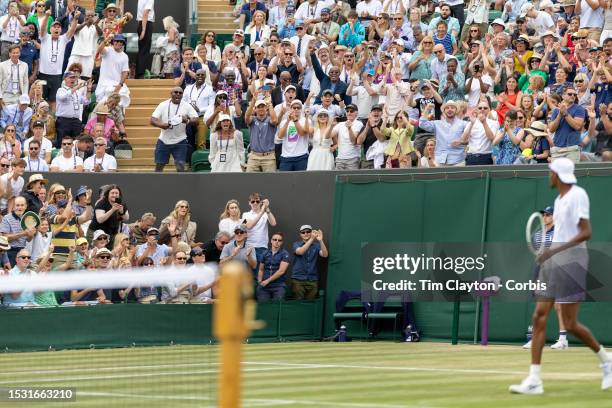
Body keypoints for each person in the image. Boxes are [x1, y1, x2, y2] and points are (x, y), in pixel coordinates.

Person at [509, 158, 612, 394]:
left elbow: (586, 232)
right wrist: (548, 253)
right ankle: (534, 379)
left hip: (573, 262)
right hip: (553, 263)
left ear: (558, 174)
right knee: (539, 316)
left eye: (550, 171)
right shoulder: (558, 199)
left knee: (571, 324)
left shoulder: (578, 195)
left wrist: (554, 249)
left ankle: (606, 361)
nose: (549, 175)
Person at [150, 87, 199, 172]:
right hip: (164, 140)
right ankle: (156, 184)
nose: (178, 94)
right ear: (171, 94)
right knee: (159, 166)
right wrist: (162, 125)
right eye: (175, 92)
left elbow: (196, 120)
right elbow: (152, 120)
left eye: (180, 93)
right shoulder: (163, 104)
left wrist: (187, 121)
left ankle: (180, 185)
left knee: (180, 167)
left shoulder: (186, 105)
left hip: (180, 140)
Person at [38, 10, 78, 109]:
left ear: (60, 30)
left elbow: (72, 30)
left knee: (53, 100)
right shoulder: (45, 37)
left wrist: (76, 19)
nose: (56, 29)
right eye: (54, 27)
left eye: (58, 27)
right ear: (50, 29)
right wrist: (47, 16)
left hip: (56, 75)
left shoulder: (63, 39)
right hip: (43, 74)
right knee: (41, 98)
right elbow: (42, 28)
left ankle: (52, 120)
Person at [418, 100, 468, 166]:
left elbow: (470, 140)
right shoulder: (437, 123)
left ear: (456, 110)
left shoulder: (463, 124)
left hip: (458, 161)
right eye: (447, 108)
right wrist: (427, 109)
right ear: (444, 111)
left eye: (452, 108)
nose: (450, 110)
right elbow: (422, 124)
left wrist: (461, 142)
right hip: (440, 160)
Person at [548, 87, 586, 163]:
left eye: (574, 95)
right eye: (570, 94)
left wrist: (565, 113)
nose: (572, 96)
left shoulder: (579, 108)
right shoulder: (556, 110)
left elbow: (577, 126)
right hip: (557, 148)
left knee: (571, 174)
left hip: (572, 148)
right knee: (556, 174)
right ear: (563, 96)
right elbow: (551, 129)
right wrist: (559, 114)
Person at [291, 225, 328, 300]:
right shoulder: (296, 244)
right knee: (298, 304)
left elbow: (325, 255)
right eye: (303, 232)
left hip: (312, 279)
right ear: (300, 234)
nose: (305, 234)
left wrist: (320, 240)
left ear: (311, 233)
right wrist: (311, 239)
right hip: (298, 279)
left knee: (311, 305)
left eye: (308, 232)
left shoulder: (317, 246)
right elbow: (300, 252)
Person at [55, 71, 90, 145]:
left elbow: (86, 102)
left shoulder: (78, 92)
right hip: (64, 121)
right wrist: (76, 87)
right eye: (70, 77)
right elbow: (63, 97)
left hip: (76, 121)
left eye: (74, 78)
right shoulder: (61, 90)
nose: (73, 80)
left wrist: (89, 90)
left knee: (76, 142)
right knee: (62, 142)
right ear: (65, 79)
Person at [95, 33, 130, 108]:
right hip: (104, 84)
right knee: (102, 106)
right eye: (117, 41)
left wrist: (120, 85)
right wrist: (107, 39)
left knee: (120, 104)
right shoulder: (108, 50)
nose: (119, 43)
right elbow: (99, 49)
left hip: (116, 84)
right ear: (113, 42)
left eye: (121, 42)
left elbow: (125, 72)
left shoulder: (125, 56)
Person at [245, 97, 279, 172]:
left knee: (270, 182)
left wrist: (270, 105)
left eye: (263, 106)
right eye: (258, 107)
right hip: (254, 156)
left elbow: (275, 120)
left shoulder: (270, 119)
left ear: (266, 108)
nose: (261, 109)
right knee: (248, 180)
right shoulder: (252, 120)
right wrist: (253, 102)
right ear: (255, 109)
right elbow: (246, 117)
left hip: (268, 156)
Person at [0, 196, 35, 265]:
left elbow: (28, 239)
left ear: (25, 206)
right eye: (17, 205)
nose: (20, 207)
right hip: (10, 252)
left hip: (22, 251)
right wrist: (23, 233)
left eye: (22, 205)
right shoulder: (7, 218)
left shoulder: (27, 219)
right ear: (13, 207)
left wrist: (31, 235)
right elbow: (4, 238)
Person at [257, 232, 290, 302]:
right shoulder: (264, 253)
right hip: (264, 286)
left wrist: (267, 281)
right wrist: (260, 281)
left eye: (279, 240)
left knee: (277, 306)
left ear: (282, 242)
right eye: (275, 239)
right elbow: (261, 269)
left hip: (279, 285)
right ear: (271, 241)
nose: (277, 242)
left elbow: (281, 271)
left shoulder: (285, 254)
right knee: (263, 305)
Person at [136, 0, 154, 79]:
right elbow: (145, 12)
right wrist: (144, 29)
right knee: (145, 50)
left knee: (142, 49)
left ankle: (139, 73)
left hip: (141, 23)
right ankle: (141, 74)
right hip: (146, 23)